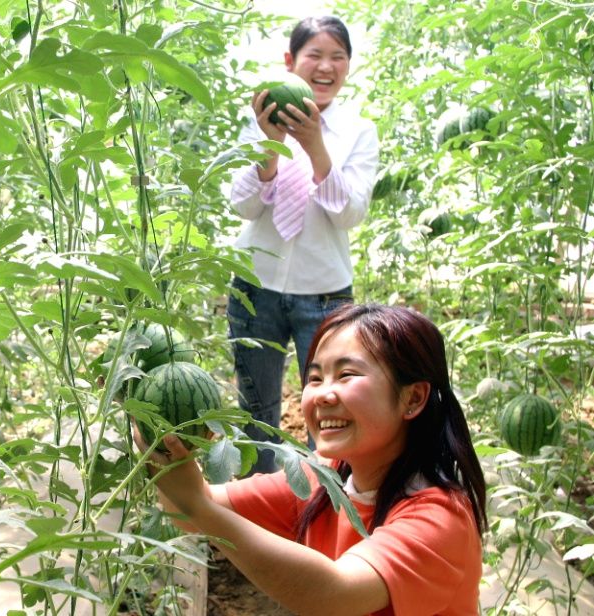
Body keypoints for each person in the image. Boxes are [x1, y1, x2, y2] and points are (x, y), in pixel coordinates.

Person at [136, 304, 488, 615]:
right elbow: (188, 511)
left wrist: (199, 507)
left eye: (346, 374)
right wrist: (158, 435)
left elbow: (335, 594)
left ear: (413, 398)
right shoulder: (325, 476)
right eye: (315, 377)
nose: (322, 394)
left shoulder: (440, 518)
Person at [227, 15, 379, 470]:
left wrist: (315, 146)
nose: (326, 66)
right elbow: (243, 206)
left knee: (332, 414)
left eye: (338, 56)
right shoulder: (260, 121)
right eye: (315, 55)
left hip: (325, 295)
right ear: (290, 61)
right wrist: (270, 146)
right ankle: (257, 513)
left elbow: (349, 213)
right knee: (256, 415)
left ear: (348, 66)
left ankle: (320, 511)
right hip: (256, 289)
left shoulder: (358, 131)